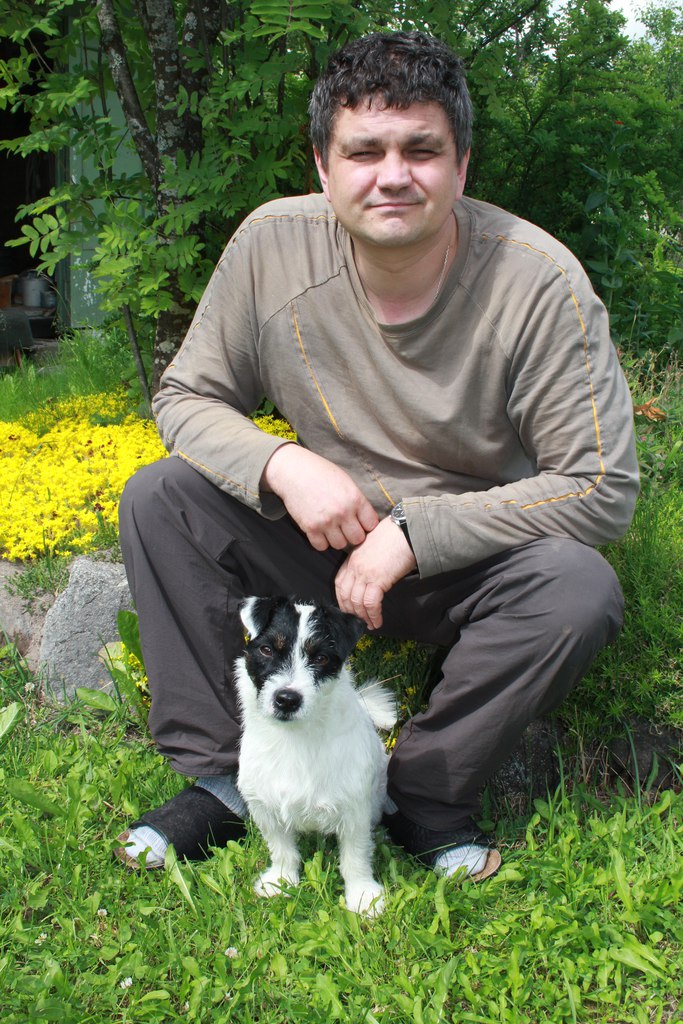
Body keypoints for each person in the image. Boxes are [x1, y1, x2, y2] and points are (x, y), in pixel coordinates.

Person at [115, 30, 639, 880]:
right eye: (363, 151)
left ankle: (422, 793)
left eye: (420, 150)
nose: (392, 175)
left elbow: (600, 486)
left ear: (460, 167)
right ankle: (224, 776)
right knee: (161, 498)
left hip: (472, 562)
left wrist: (416, 532)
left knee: (577, 588)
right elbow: (185, 397)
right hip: (320, 543)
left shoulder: (538, 283)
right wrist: (282, 464)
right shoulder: (270, 247)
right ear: (323, 168)